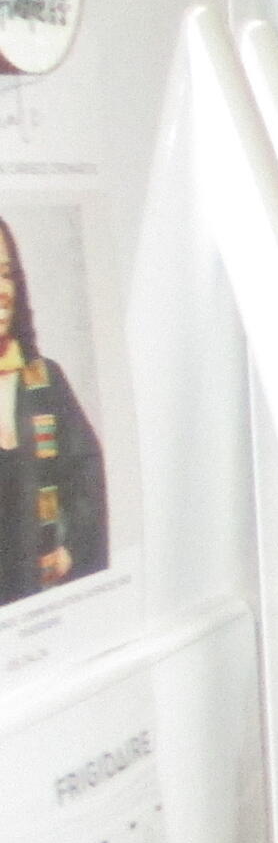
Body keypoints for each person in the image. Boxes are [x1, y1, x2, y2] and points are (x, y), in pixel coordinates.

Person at [0, 211, 106, 604]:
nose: (1, 289)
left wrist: (71, 550)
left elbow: (86, 473)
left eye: (6, 274)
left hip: (41, 601)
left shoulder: (45, 381)